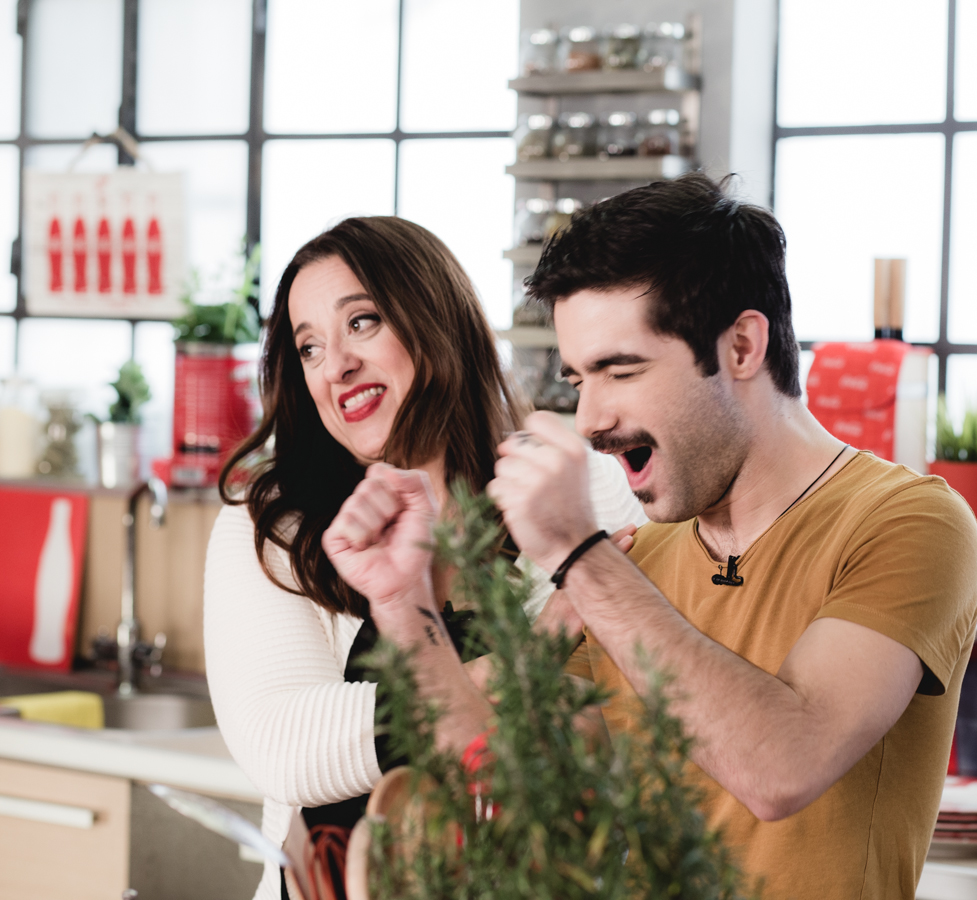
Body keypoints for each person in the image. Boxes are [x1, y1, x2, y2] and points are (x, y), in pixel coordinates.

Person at [321, 175, 977, 900]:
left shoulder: (907, 522)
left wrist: (577, 555)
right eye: (579, 380)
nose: (590, 420)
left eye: (620, 370)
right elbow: (498, 783)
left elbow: (784, 766)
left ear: (741, 346)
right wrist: (401, 600)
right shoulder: (642, 561)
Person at [203, 216, 645, 900]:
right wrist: (527, 659)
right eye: (309, 347)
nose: (336, 365)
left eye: (362, 323)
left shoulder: (580, 486)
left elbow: (626, 727)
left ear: (436, 318)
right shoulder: (270, 526)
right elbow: (285, 750)